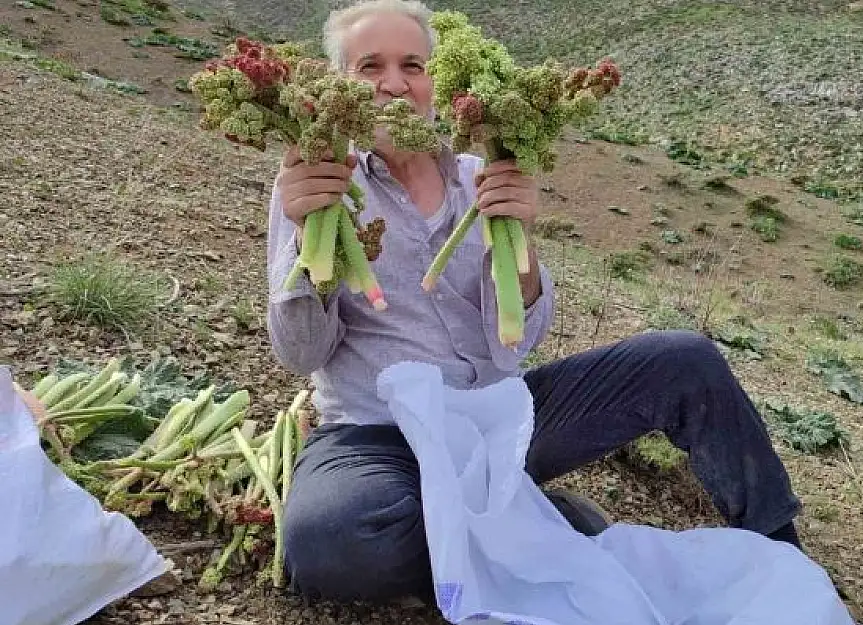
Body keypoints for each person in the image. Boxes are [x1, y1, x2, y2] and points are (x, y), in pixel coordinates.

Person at [266, 0, 804, 606]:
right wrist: (309, 238)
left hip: (503, 420)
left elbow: (515, 338)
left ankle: (777, 541)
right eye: (370, 67)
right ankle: (533, 525)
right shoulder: (317, 184)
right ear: (339, 84)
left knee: (684, 359)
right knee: (329, 544)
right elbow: (301, 351)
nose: (394, 83)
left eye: (412, 64)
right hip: (376, 436)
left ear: (436, 81)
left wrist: (520, 240)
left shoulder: (484, 173)